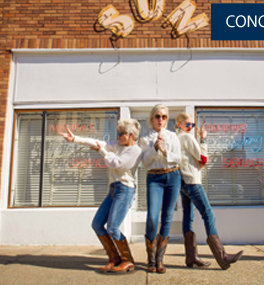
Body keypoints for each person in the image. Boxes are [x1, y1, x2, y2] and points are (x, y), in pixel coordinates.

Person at [59, 118, 142, 274]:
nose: (118, 135)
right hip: (113, 189)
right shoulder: (117, 145)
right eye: (118, 132)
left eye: (121, 133)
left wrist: (104, 152)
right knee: (97, 224)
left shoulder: (135, 151)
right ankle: (114, 258)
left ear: (131, 135)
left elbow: (117, 164)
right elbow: (96, 143)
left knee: (112, 227)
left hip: (125, 189)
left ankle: (127, 260)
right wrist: (76, 138)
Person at [175, 112, 243, 270]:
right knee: (208, 214)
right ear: (179, 124)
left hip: (183, 183)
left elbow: (198, 161)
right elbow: (203, 159)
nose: (190, 127)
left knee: (188, 218)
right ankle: (222, 256)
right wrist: (203, 139)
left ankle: (191, 257)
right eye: (187, 124)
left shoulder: (176, 138)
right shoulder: (186, 137)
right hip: (192, 182)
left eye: (192, 125)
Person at [139, 104, 182, 274]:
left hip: (173, 176)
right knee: (152, 216)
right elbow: (145, 162)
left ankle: (159, 260)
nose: (161, 120)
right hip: (154, 178)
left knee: (167, 217)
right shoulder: (144, 138)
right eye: (158, 116)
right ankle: (150, 259)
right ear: (152, 118)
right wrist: (155, 148)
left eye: (164, 117)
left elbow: (178, 158)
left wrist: (165, 151)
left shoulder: (172, 136)